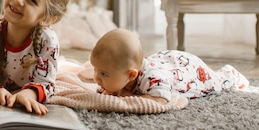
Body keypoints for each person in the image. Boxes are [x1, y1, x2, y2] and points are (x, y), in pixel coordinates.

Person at [88, 28, 249, 103]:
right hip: (167, 60)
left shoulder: (154, 79)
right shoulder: (126, 73)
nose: (96, 78)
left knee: (217, 82)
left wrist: (129, 97)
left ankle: (231, 73)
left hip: (190, 71)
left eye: (104, 74)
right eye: (96, 70)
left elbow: (161, 100)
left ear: (131, 75)